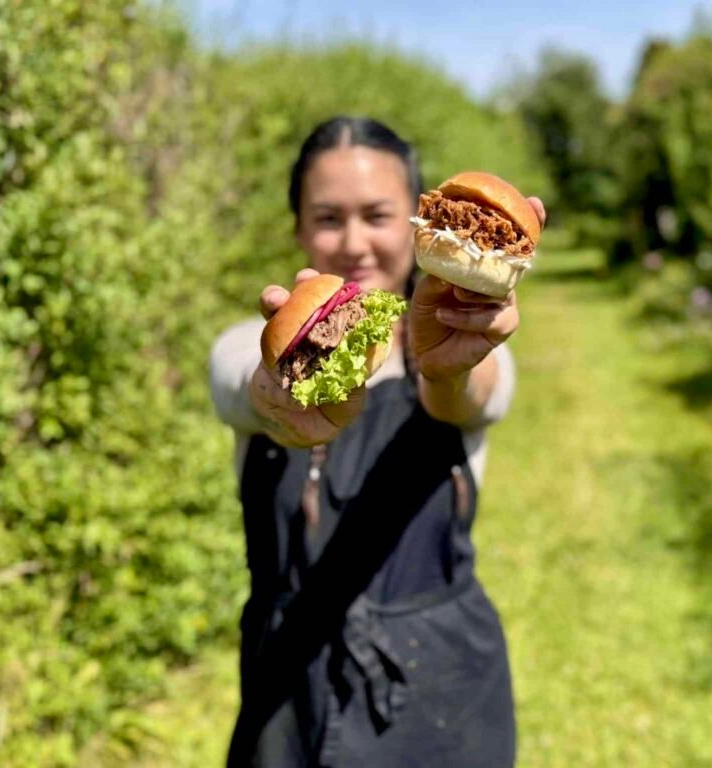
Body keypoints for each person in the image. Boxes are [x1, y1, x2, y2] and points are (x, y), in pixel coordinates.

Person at [209, 115, 545, 767]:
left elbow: (474, 395)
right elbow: (241, 382)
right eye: (329, 218)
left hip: (442, 694)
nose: (354, 243)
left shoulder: (456, 350)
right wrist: (279, 388)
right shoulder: (253, 345)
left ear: (419, 222)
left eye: (378, 215)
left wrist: (449, 369)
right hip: (288, 694)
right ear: (300, 229)